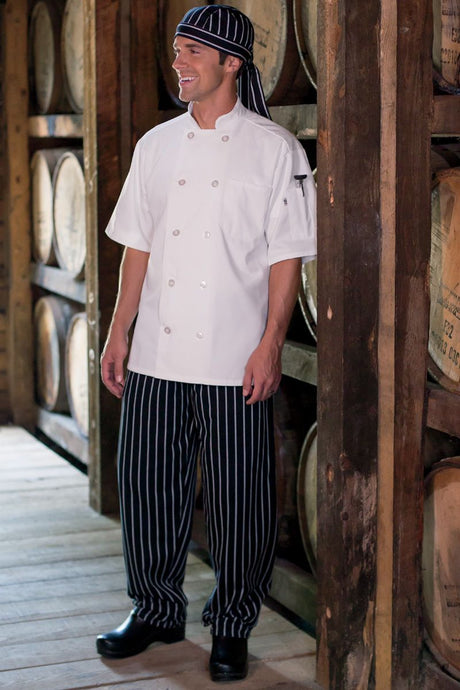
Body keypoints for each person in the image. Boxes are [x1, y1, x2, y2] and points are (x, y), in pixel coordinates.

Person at [96, 4, 316, 683]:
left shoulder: (276, 150)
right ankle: (156, 610)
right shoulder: (156, 146)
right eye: (177, 49)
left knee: (240, 501)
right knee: (147, 489)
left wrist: (271, 343)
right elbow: (138, 248)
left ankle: (232, 626)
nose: (179, 62)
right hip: (157, 356)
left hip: (233, 356)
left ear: (231, 61)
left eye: (193, 50)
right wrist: (118, 331)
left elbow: (286, 258)